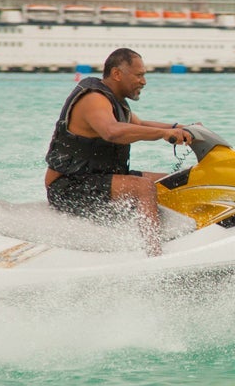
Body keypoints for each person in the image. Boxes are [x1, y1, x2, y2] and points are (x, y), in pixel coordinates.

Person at [44, 48, 192, 254]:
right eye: (139, 75)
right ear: (117, 74)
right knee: (144, 187)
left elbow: (141, 124)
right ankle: (154, 253)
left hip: (99, 177)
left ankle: (192, 234)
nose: (144, 81)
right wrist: (162, 134)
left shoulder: (117, 102)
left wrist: (183, 127)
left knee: (173, 181)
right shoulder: (93, 99)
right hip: (68, 187)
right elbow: (111, 132)